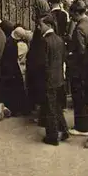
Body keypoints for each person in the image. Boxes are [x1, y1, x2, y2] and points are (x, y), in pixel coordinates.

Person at [37, 14, 69, 146]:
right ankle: (64, 130)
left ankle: (53, 136)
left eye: (41, 25)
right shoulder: (59, 39)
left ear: (48, 25)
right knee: (57, 106)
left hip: (48, 79)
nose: (39, 28)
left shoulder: (44, 41)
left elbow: (43, 64)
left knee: (50, 108)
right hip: (59, 77)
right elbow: (62, 59)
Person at [67, 0, 88, 136]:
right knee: (85, 96)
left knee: (79, 96)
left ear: (77, 12)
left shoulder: (79, 28)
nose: (71, 17)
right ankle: (87, 124)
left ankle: (81, 127)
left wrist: (71, 55)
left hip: (79, 68)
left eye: (72, 14)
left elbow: (81, 51)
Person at [1, 26, 27, 117]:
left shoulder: (8, 41)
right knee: (15, 90)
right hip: (11, 69)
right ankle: (16, 109)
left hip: (9, 69)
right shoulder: (12, 44)